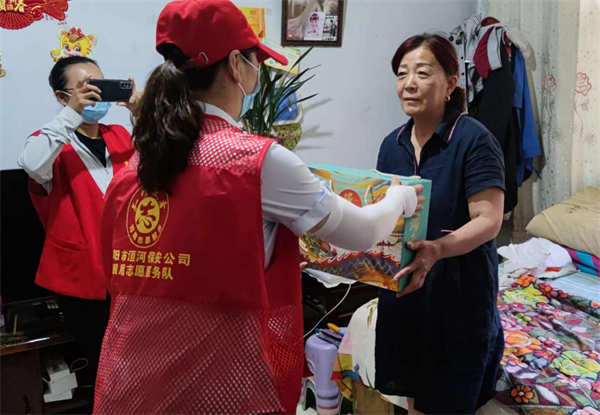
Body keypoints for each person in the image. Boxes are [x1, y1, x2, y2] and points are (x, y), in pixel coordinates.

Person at [93, 1, 424, 414]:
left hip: (129, 384)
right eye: (256, 62)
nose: (258, 73)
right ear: (236, 65)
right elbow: (360, 232)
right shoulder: (255, 161)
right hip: (219, 389)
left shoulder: (139, 161)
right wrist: (400, 198)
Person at [374, 34, 505, 414]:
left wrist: (438, 249)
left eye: (422, 72)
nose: (409, 83)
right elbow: (384, 212)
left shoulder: (474, 139)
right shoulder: (392, 144)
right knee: (412, 395)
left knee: (448, 398)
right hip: (403, 293)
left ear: (450, 83)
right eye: (402, 74)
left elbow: (489, 219)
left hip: (457, 294)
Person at [17, 56, 137, 387]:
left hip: (131, 271)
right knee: (104, 370)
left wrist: (140, 112)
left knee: (139, 364)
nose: (96, 95)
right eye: (87, 88)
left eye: (101, 85)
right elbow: (32, 164)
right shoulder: (48, 142)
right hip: (82, 280)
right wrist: (71, 114)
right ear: (61, 96)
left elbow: (163, 165)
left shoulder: (121, 136)